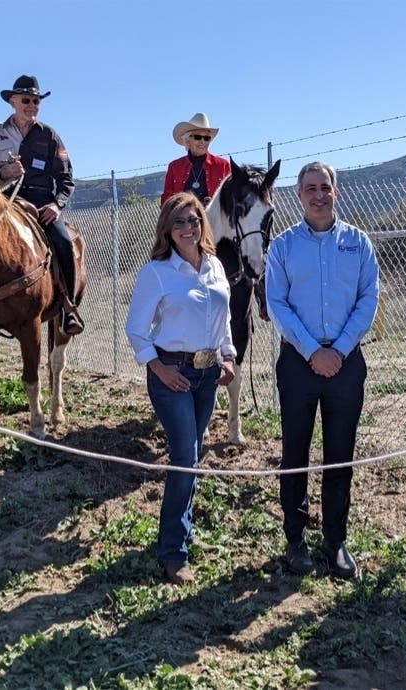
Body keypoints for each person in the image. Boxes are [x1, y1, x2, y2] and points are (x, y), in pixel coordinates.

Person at [265, 162, 380, 580]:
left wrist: (341, 349)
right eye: (310, 188)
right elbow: (276, 303)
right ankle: (295, 541)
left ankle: (335, 541)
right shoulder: (282, 247)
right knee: (294, 453)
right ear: (299, 195)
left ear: (336, 191)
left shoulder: (359, 243)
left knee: (339, 456)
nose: (318, 195)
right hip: (298, 361)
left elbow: (368, 299)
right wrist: (313, 350)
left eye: (325, 187)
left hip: (346, 363)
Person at [125, 192, 237, 585]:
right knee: (185, 457)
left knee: (193, 457)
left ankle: (181, 533)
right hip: (171, 373)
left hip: (208, 376)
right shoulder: (155, 273)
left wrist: (228, 356)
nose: (188, 228)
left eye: (194, 220)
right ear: (167, 231)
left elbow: (222, 319)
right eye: (179, 223)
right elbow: (136, 329)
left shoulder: (216, 266)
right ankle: (174, 553)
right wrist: (157, 369)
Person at [0, 74, 84, 336]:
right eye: (26, 100)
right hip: (4, 200)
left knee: (64, 240)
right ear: (13, 102)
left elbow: (67, 178)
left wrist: (57, 205)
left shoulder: (49, 136)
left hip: (42, 201)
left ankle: (68, 308)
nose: (32, 105)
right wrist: (4, 174)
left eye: (36, 101)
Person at [161, 113, 231, 206]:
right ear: (187, 140)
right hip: (183, 218)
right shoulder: (174, 167)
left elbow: (231, 197)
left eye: (206, 138)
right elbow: (166, 201)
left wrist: (214, 204)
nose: (202, 141)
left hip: (213, 219)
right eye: (198, 137)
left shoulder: (223, 165)